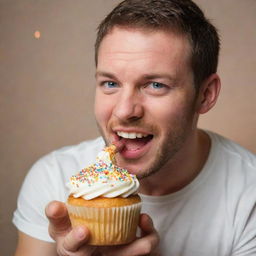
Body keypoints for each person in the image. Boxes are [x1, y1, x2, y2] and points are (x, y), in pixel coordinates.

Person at [13, 0, 256, 255]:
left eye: (155, 85)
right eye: (110, 83)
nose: (124, 110)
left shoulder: (248, 195)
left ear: (205, 94)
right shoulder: (53, 177)